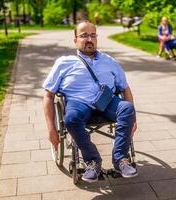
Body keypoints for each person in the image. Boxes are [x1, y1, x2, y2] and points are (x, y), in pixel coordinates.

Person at [42, 21, 138, 183]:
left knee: (127, 108)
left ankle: (120, 159)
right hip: (78, 103)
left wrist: (133, 119)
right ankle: (92, 161)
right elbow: (48, 95)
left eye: (93, 35)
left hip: (107, 102)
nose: (89, 39)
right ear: (75, 40)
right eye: (84, 35)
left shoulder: (109, 61)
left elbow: (125, 88)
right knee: (71, 118)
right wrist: (51, 129)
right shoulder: (64, 62)